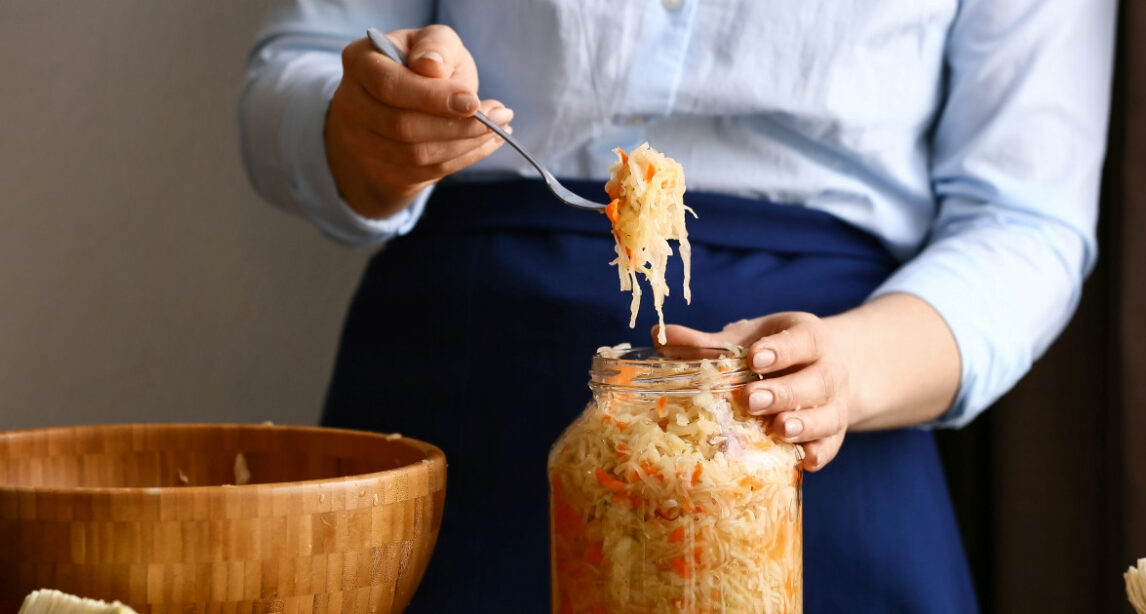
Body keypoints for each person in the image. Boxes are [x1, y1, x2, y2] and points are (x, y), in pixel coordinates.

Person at [239, 1, 1116, 611]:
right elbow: (300, 66)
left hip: (829, 398)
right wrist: (364, 129)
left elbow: (1026, 219)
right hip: (467, 372)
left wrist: (849, 369)